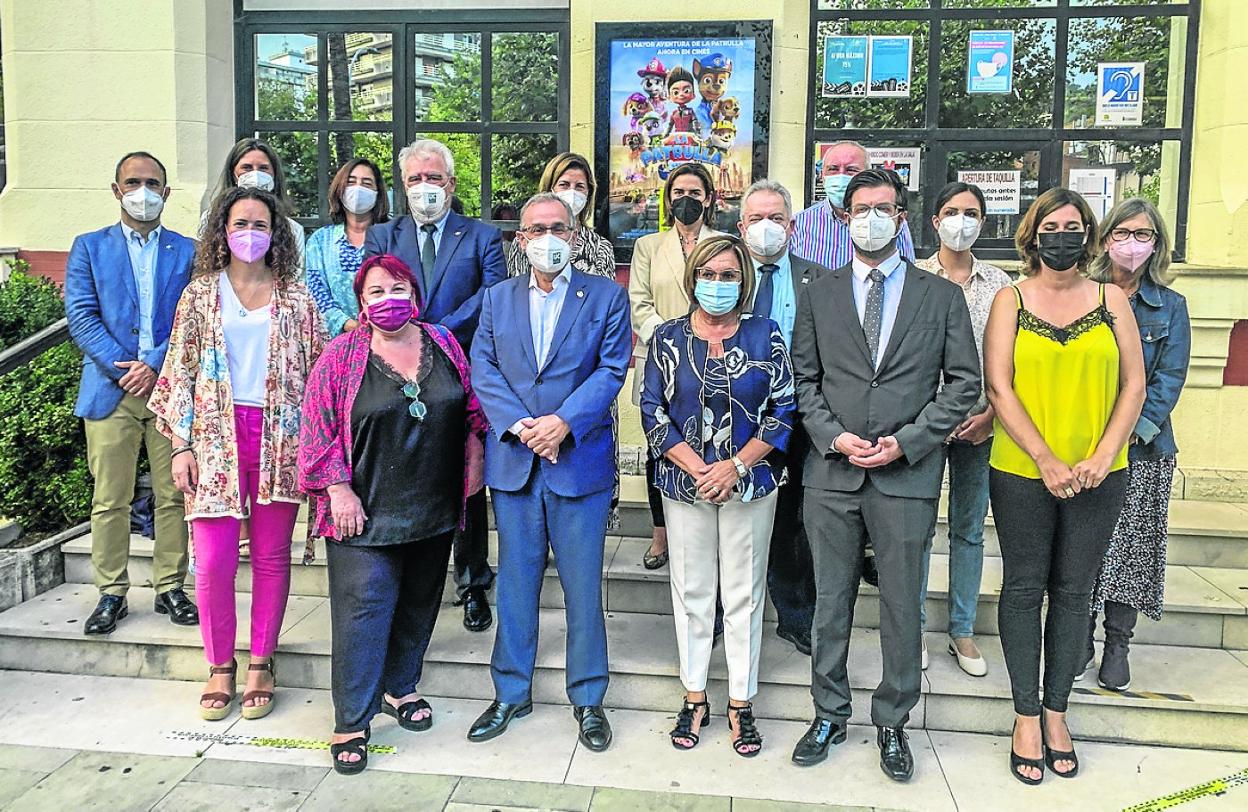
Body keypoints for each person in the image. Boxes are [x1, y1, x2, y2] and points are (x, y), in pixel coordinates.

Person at [790, 169, 979, 782]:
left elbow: (963, 386)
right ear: (844, 219)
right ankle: (828, 711)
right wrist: (831, 435)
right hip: (832, 473)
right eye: (860, 208)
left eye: (884, 208)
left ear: (902, 217)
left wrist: (908, 442)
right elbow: (804, 380)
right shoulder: (818, 292)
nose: (871, 217)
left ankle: (894, 720)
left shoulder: (941, 296)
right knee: (830, 601)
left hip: (907, 476)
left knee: (902, 604)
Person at [299, 254, 487, 775]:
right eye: (376, 291)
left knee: (419, 603)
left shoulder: (443, 342)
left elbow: (471, 409)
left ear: (414, 292)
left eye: (397, 287)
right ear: (361, 303)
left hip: (433, 505)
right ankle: (351, 720)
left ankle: (401, 688)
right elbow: (315, 430)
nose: (388, 299)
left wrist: (475, 459)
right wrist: (338, 489)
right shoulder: (341, 355)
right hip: (364, 513)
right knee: (364, 611)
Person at [984, 187, 1144, 784]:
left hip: (1101, 473)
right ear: (1032, 235)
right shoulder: (1010, 299)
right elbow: (999, 387)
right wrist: (1046, 458)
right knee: (1024, 589)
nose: (1062, 235)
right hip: (1024, 470)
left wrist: (1104, 454)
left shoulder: (1112, 299)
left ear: (1088, 234)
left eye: (1073, 225)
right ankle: (1025, 713)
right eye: (1050, 226)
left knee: (1077, 592)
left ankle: (1057, 713)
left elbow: (1135, 385)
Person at [149, 186, 327, 722]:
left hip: (280, 438)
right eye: (239, 222)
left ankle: (261, 662)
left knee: (272, 558)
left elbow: (321, 373)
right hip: (212, 437)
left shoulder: (296, 298)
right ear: (222, 231)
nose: (250, 232)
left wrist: (322, 449)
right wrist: (179, 445)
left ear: (276, 234)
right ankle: (219, 664)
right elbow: (178, 371)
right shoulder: (200, 295)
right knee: (214, 560)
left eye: (260, 223)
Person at [467, 193, 631, 752]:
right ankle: (511, 691)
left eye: (558, 227)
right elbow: (482, 366)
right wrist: (519, 425)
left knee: (583, 587)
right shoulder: (496, 299)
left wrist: (562, 422)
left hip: (577, 461)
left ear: (576, 231)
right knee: (515, 581)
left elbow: (612, 369)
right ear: (521, 239)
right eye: (536, 229)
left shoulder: (606, 296)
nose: (548, 238)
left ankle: (588, 698)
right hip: (515, 463)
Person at [641, 234, 795, 758]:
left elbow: (782, 412)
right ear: (692, 279)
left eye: (729, 276)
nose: (718, 284)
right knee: (692, 593)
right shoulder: (666, 338)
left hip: (750, 483)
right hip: (685, 485)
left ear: (743, 282)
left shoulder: (766, 335)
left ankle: (741, 702)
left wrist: (732, 466)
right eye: (709, 274)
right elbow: (652, 414)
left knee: (744, 595)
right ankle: (694, 696)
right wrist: (699, 468)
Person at [364, 138, 508, 633]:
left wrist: (437, 332)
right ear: (403, 187)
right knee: (405, 470)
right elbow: (371, 288)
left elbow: (492, 294)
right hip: (394, 372)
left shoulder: (482, 236)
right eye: (415, 179)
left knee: (466, 478)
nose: (426, 187)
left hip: (458, 370)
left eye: (434, 178)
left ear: (451, 183)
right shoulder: (383, 235)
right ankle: (405, 577)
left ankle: (472, 583)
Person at [65, 151, 198, 635]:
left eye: (153, 183)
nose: (143, 191)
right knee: (110, 498)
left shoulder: (188, 250)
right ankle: (110, 592)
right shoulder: (89, 247)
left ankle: (170, 587)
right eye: (133, 182)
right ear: (116, 188)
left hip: (169, 390)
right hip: (109, 390)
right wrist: (126, 369)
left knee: (174, 495)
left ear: (166, 191)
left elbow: (193, 316)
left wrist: (156, 363)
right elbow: (81, 315)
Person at [790, 142, 916, 588]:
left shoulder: (904, 252)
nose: (870, 220)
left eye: (851, 168)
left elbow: (908, 315)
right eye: (833, 168)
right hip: (829, 395)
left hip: (892, 429)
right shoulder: (801, 227)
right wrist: (832, 431)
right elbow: (806, 370)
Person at [1083, 198, 1190, 692]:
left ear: (1157, 244)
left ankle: (1118, 643)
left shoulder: (1170, 306)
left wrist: (1121, 437)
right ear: (1106, 239)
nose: (1132, 244)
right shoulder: (1083, 295)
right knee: (1082, 545)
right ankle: (1076, 634)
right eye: (1122, 233)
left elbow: (1167, 382)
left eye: (1143, 235)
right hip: (1078, 444)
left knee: (1131, 551)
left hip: (1142, 451)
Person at [914, 182, 1013, 677]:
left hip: (981, 424)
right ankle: (912, 629)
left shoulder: (1001, 284)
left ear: (983, 222)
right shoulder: (912, 276)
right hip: (923, 424)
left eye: (970, 212)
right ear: (934, 221)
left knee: (969, 529)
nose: (960, 220)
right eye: (951, 211)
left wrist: (992, 415)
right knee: (916, 529)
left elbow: (1012, 361)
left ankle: (962, 629)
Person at [736, 179, 831, 657]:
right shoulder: (724, 277)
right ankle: (723, 616)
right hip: (736, 419)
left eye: (776, 218)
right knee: (732, 518)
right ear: (741, 226)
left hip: (803, 417)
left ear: (792, 227)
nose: (766, 228)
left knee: (795, 518)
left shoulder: (820, 278)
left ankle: (795, 617)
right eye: (756, 219)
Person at [506, 152, 622, 529]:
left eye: (580, 187)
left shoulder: (600, 248)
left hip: (583, 380)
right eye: (563, 185)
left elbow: (602, 326)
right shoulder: (525, 245)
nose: (572, 193)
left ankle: (582, 530)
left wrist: (566, 419)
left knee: (585, 463)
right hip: (532, 387)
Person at [629, 162, 723, 570]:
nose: (687, 200)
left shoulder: (724, 243)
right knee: (660, 447)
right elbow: (639, 303)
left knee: (711, 440)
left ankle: (707, 530)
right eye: (679, 193)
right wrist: (675, 341)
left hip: (715, 357)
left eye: (695, 193)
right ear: (668, 200)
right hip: (659, 359)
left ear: (709, 199)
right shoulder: (648, 246)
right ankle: (660, 534)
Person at [306, 159, 391, 336]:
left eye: (366, 183)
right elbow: (315, 291)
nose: (358, 188)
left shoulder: (392, 237)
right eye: (351, 182)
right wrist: (347, 324)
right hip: (335, 344)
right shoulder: (320, 241)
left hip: (387, 337)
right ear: (340, 189)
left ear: (378, 193)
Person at [207, 137, 306, 270]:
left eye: (263, 168)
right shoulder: (210, 220)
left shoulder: (293, 229)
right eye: (247, 168)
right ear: (233, 173)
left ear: (274, 174)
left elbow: (295, 274)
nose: (256, 174)